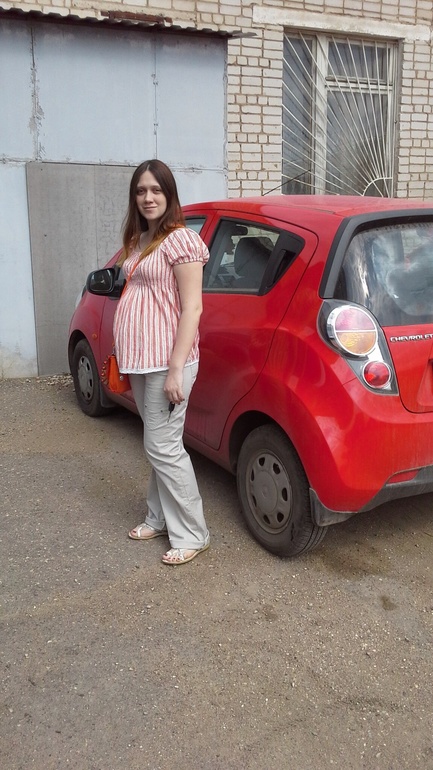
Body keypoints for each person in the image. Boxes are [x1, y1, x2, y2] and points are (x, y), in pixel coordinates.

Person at [113, 159, 210, 566]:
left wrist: (175, 370)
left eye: (156, 190)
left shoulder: (181, 240)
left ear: (169, 194)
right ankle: (158, 517)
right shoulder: (140, 240)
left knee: (163, 447)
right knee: (158, 445)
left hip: (168, 363)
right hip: (141, 361)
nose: (148, 197)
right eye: (141, 191)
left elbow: (193, 309)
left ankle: (193, 533)